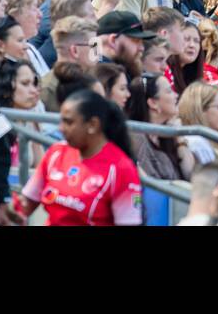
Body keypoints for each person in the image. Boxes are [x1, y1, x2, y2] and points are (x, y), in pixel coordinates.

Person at [17, 89, 143, 226]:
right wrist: (6, 209)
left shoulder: (121, 168)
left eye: (69, 122)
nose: (61, 128)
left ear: (92, 125)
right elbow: (25, 204)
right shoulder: (56, 153)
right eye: (61, 121)